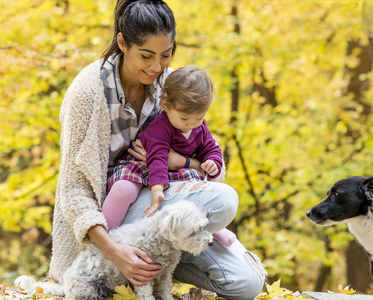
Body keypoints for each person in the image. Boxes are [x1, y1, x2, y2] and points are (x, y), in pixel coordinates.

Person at [48, 0, 266, 299]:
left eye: (166, 54)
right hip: (109, 222)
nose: (156, 66)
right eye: (146, 55)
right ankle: (125, 267)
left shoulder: (171, 82)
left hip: (161, 212)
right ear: (122, 42)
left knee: (246, 284)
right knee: (224, 199)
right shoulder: (88, 92)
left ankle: (157, 265)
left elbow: (207, 155)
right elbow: (73, 191)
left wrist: (181, 160)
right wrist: (114, 251)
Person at [102, 65, 236, 247]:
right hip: (143, 167)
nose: (191, 124)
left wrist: (213, 163)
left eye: (198, 118)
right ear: (165, 106)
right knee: (123, 189)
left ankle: (213, 227)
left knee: (197, 188)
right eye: (184, 118)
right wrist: (157, 189)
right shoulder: (160, 127)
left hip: (175, 173)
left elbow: (210, 147)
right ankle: (107, 237)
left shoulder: (199, 126)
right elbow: (158, 157)